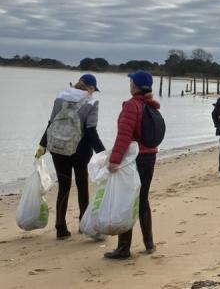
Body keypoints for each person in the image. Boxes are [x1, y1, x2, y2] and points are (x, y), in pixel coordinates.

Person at [36, 74, 105, 240]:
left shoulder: (61, 97)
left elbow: (51, 123)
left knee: (64, 186)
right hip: (80, 151)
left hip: (58, 148)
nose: (93, 93)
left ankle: (60, 227)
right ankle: (84, 224)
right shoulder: (91, 102)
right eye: (93, 90)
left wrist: (42, 145)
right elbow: (90, 131)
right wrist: (102, 153)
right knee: (82, 185)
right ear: (90, 88)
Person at [104, 71, 160, 259]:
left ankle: (123, 248)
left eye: (131, 81)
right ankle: (149, 243)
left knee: (126, 200)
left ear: (134, 86)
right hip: (150, 156)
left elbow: (124, 136)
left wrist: (114, 160)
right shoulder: (152, 106)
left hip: (134, 159)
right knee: (142, 199)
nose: (129, 84)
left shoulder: (131, 106)